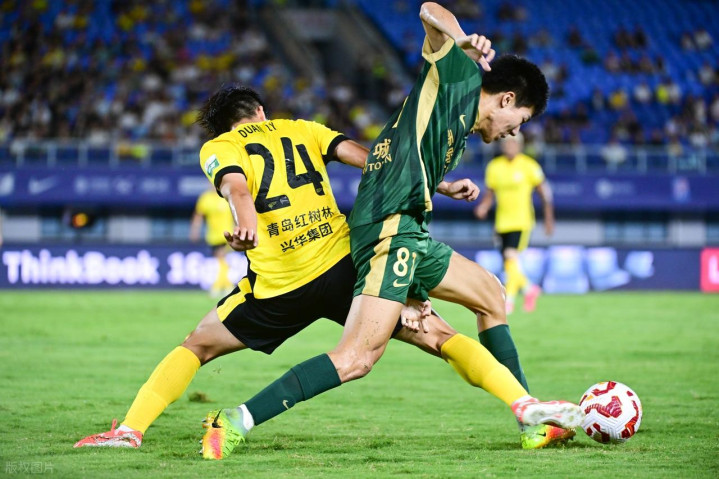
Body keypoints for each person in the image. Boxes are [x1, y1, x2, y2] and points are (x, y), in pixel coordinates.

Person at [74, 85, 578, 453]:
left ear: (225, 124)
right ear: (260, 111)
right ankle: (526, 410)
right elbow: (375, 159)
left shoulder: (220, 147)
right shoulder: (304, 129)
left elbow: (236, 187)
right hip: (346, 267)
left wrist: (246, 222)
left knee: (197, 346)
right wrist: (439, 184)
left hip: (278, 286)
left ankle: (130, 431)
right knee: (440, 336)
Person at [200, 2, 581, 459]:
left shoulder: (457, 126)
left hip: (407, 228)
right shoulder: (458, 77)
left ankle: (530, 420)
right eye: (519, 121)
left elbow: (399, 165)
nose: (512, 133)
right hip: (389, 230)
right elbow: (429, 10)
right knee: (356, 358)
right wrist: (462, 39)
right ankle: (235, 420)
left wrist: (440, 189)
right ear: (506, 99)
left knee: (491, 297)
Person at [474, 133, 554, 314]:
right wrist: (484, 207)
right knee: (509, 263)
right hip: (501, 222)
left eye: (513, 143)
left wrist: (549, 219)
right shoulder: (494, 166)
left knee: (510, 256)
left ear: (520, 146)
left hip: (521, 220)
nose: (509, 146)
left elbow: (544, 193)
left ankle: (508, 301)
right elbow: (490, 192)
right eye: (507, 144)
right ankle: (529, 289)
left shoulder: (529, 165)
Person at [190, 184, 236, 297]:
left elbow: (236, 213)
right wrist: (195, 230)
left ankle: (218, 286)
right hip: (212, 235)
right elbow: (198, 215)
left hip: (227, 234)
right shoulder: (205, 198)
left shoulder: (227, 196)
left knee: (221, 257)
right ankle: (227, 285)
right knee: (221, 260)